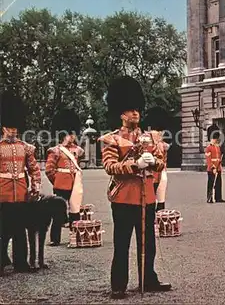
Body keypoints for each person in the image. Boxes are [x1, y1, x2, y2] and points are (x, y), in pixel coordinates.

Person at [98, 76, 172, 299]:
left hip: (146, 196)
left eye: (137, 109)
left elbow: (161, 163)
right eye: (130, 110)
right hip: (123, 198)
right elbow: (110, 167)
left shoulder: (150, 138)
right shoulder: (112, 140)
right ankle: (118, 284)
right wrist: (135, 165)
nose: (135, 114)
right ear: (121, 113)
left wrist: (152, 162)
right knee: (122, 245)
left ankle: (148, 278)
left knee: (147, 242)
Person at [0, 93, 41, 273]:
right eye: (10, 128)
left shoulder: (26, 147)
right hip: (2, 194)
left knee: (19, 231)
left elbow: (33, 169)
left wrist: (36, 186)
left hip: (21, 194)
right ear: (3, 128)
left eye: (15, 128)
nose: (13, 131)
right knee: (2, 232)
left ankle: (20, 263)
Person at [45, 108, 84, 246]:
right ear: (63, 135)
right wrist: (57, 181)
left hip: (74, 184)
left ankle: (75, 237)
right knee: (58, 211)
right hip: (61, 185)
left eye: (73, 135)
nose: (72, 137)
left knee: (75, 210)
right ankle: (55, 238)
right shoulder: (55, 151)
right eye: (69, 134)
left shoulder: (76, 151)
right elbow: (49, 170)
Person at [143, 107, 170, 211]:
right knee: (151, 204)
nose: (161, 134)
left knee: (160, 202)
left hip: (161, 173)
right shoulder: (146, 140)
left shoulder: (160, 143)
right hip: (151, 175)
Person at [205, 124, 225, 203]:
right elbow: (208, 159)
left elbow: (219, 157)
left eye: (216, 138)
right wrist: (213, 167)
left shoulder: (217, 147)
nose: (215, 140)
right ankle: (209, 197)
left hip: (218, 167)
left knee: (218, 183)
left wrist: (219, 165)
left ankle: (218, 197)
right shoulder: (208, 148)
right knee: (211, 183)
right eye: (214, 138)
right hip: (212, 168)